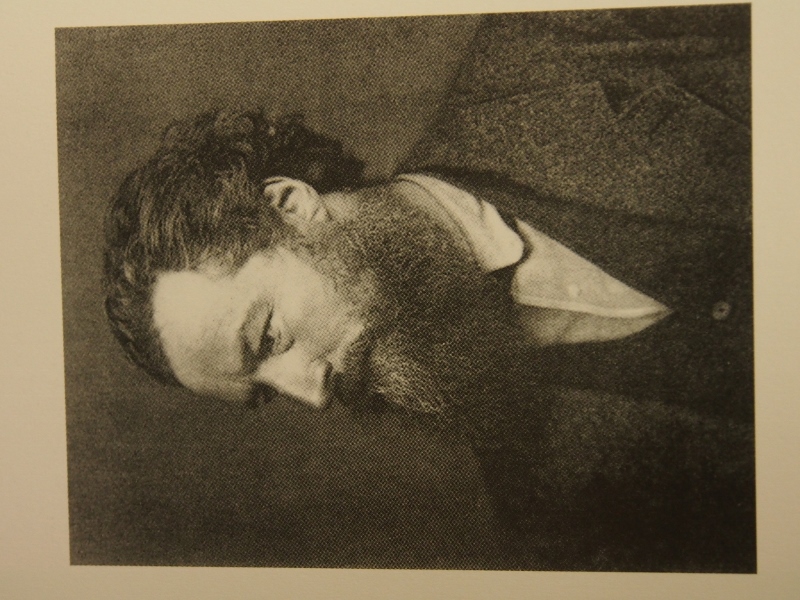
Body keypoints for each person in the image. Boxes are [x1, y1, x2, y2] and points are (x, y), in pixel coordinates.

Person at [103, 6, 754, 571]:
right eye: (268, 393)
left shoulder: (563, 37)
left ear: (289, 207)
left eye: (268, 337)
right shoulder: (551, 512)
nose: (312, 392)